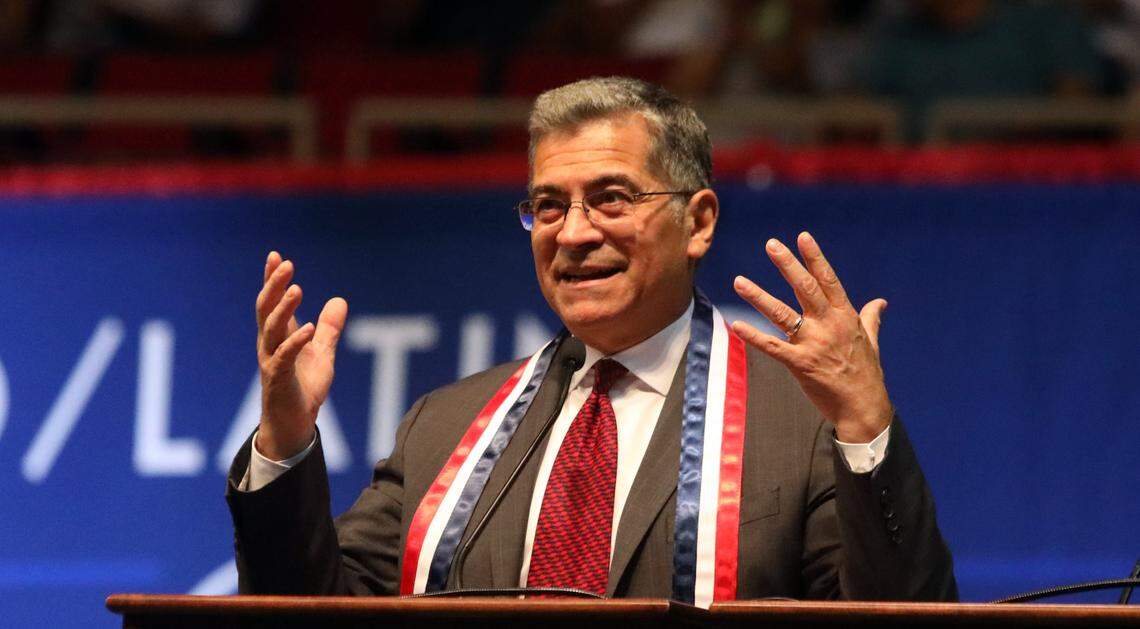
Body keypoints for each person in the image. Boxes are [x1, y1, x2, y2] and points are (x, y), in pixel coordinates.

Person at [226, 76, 956, 603]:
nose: (573, 233)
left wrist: (866, 427)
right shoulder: (444, 428)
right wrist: (284, 444)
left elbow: (902, 616)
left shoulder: (800, 423)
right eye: (548, 206)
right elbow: (314, 612)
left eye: (611, 198)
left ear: (698, 222)